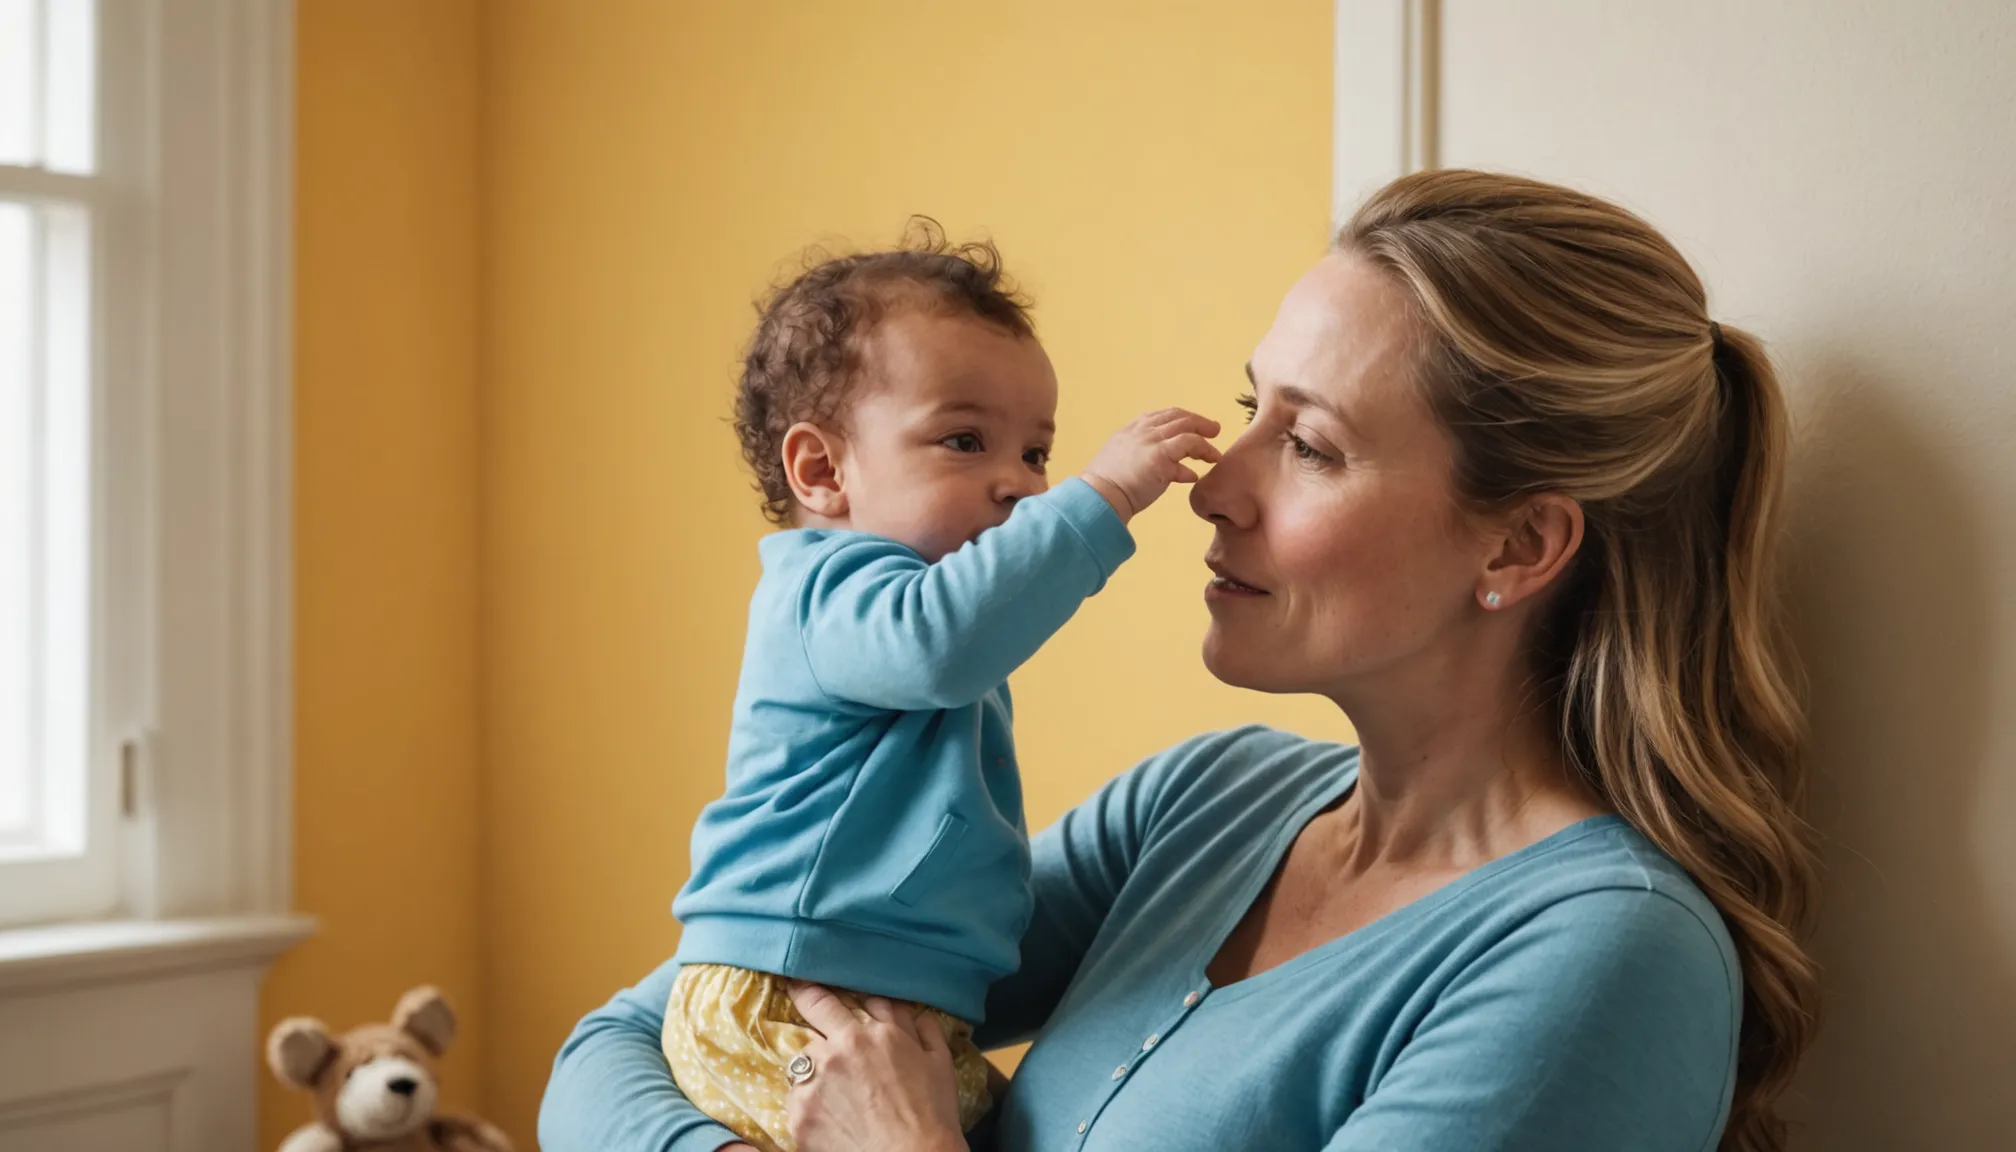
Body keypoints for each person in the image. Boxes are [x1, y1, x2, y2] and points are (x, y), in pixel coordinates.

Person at [540, 170, 1820, 1152]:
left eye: (1308, 444)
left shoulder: (1602, 958)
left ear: (1521, 542)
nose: (1217, 489)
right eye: (1248, 403)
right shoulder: (1203, 807)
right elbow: (620, 1044)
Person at [658, 223, 1221, 1152]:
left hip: (892, 1007)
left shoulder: (915, 617)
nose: (1020, 486)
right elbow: (943, 641)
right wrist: (1102, 496)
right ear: (822, 470)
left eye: (1038, 454)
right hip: (782, 993)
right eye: (965, 441)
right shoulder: (825, 593)